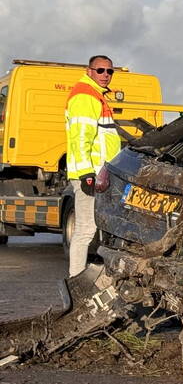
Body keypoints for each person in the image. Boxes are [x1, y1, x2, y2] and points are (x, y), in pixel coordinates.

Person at [64, 55, 121, 277]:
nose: (105, 75)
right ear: (89, 71)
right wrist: (87, 173)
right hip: (89, 174)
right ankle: (76, 278)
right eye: (100, 70)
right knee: (85, 230)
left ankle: (92, 276)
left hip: (99, 175)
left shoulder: (96, 95)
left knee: (95, 228)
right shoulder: (85, 95)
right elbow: (80, 139)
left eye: (109, 71)